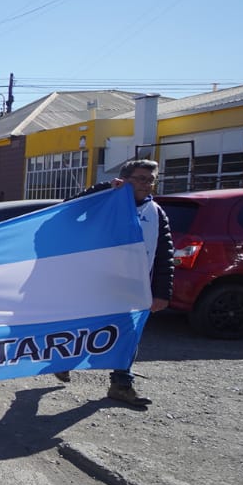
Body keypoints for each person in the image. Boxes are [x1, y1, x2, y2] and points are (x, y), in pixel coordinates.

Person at [56, 159, 173, 408]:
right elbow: (68, 210)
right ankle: (63, 361)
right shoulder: (105, 202)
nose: (146, 184)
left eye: (150, 180)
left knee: (128, 336)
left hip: (134, 289)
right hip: (95, 284)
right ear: (125, 179)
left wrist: (162, 292)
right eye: (140, 178)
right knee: (87, 329)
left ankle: (121, 385)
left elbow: (165, 254)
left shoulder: (156, 213)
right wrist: (104, 188)